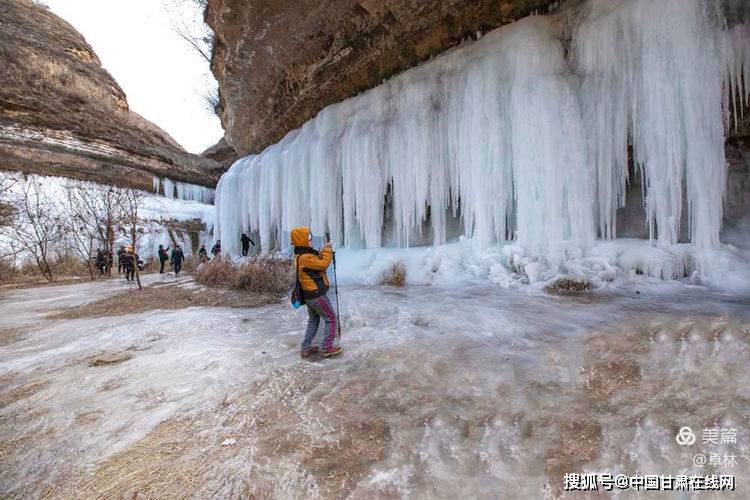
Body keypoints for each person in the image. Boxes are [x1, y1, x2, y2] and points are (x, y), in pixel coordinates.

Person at [291, 226, 342, 358]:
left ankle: (306, 348)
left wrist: (323, 250)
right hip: (316, 295)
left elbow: (315, 262)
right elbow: (323, 264)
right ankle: (327, 347)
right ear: (302, 241)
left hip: (309, 296)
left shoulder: (300, 256)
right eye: (308, 238)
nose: (311, 240)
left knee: (313, 320)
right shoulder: (305, 258)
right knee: (331, 318)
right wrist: (328, 250)